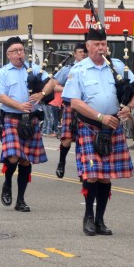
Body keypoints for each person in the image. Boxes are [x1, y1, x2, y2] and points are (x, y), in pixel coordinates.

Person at [62, 26, 134, 236]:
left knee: (106, 177)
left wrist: (129, 107)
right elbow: (75, 102)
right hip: (91, 127)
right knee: (92, 175)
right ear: (88, 46)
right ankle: (88, 217)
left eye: (104, 44)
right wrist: (100, 117)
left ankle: (100, 220)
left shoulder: (117, 66)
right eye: (97, 44)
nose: (101, 48)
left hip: (113, 128)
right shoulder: (78, 70)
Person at [0, 35, 54, 212]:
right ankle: (7, 182)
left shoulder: (34, 69)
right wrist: (19, 105)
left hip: (31, 120)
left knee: (25, 161)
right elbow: (0, 96)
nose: (19, 54)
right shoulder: (3, 72)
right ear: (8, 54)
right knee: (13, 157)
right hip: (11, 118)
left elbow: (51, 83)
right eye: (15, 51)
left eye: (21, 50)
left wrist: (41, 94)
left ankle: (21, 200)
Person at [52, 42, 87, 178]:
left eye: (84, 52)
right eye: (80, 52)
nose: (83, 54)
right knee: (67, 139)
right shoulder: (68, 69)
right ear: (74, 54)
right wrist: (68, 88)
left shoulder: (90, 69)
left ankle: (82, 170)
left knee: (82, 140)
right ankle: (61, 162)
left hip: (86, 108)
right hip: (70, 107)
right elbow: (54, 86)